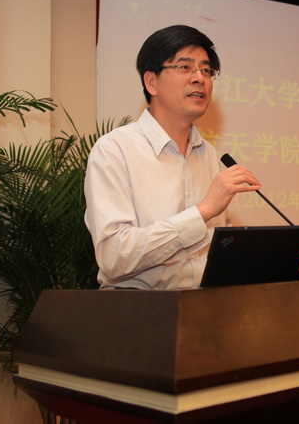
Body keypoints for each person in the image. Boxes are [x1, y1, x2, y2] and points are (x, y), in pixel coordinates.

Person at [84, 25, 261, 289]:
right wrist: (202, 212)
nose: (199, 78)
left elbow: (215, 243)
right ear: (151, 82)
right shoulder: (114, 150)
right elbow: (114, 257)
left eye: (206, 70)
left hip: (205, 305)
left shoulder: (208, 154)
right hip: (139, 308)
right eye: (185, 67)